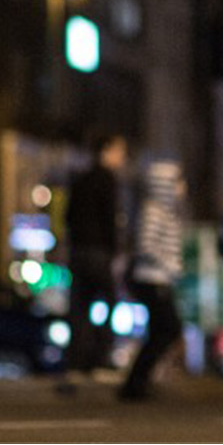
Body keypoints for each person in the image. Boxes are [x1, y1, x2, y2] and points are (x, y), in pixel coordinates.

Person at [117, 157, 186, 402]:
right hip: (152, 279)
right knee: (167, 329)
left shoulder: (165, 211)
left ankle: (137, 383)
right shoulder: (154, 210)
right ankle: (135, 383)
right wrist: (171, 266)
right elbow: (145, 245)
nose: (182, 187)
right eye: (177, 181)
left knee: (162, 331)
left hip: (160, 279)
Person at [62, 134, 128, 381]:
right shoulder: (107, 180)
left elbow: (67, 217)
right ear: (106, 151)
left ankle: (77, 362)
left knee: (80, 307)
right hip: (98, 251)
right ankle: (100, 359)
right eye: (119, 152)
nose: (122, 158)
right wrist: (115, 250)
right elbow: (110, 218)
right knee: (109, 302)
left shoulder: (79, 180)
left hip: (78, 250)